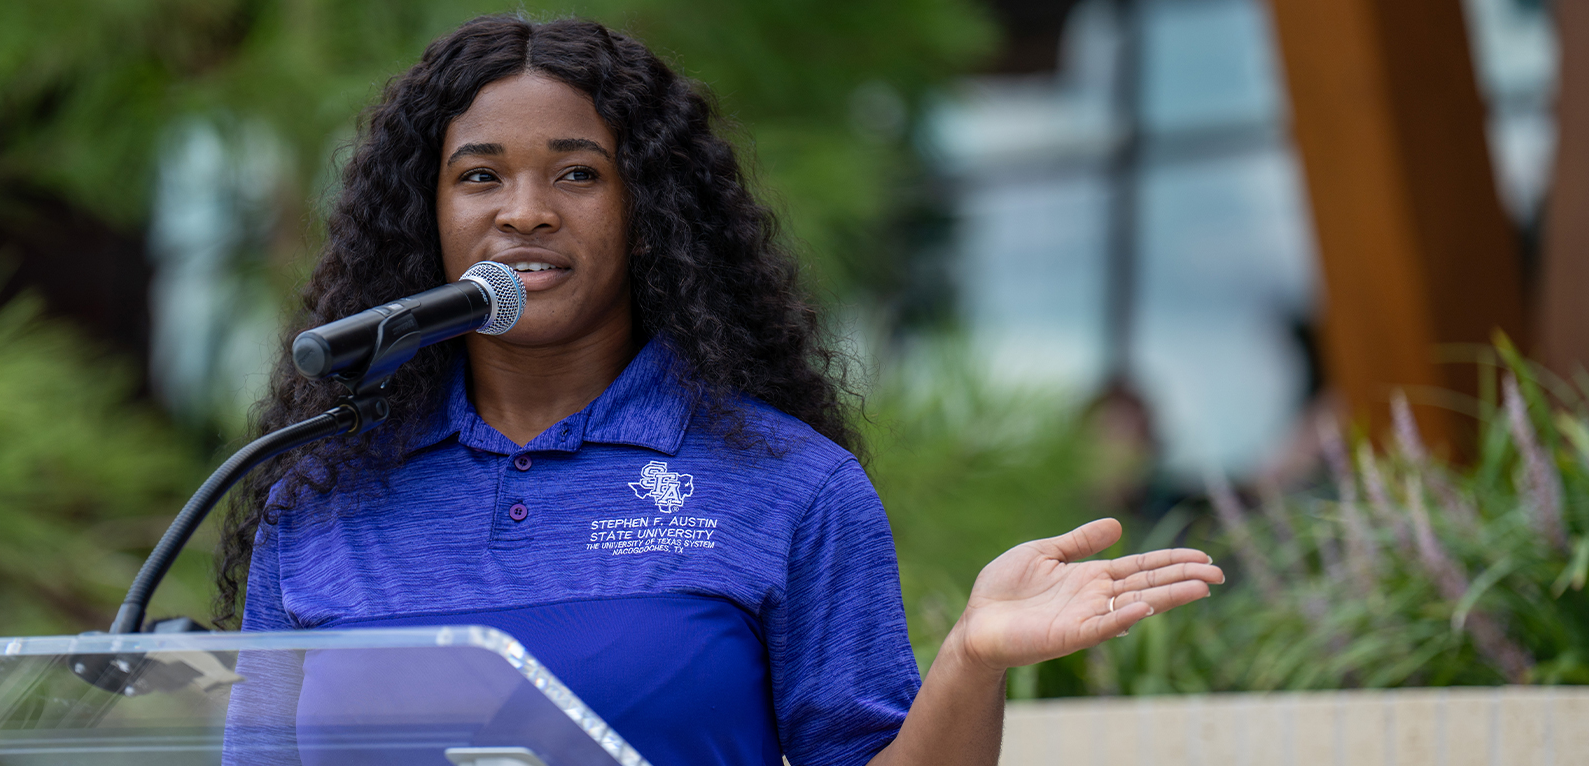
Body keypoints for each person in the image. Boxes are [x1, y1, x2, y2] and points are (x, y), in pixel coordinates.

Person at [217, 15, 1224, 766]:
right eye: (480, 177)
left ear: (647, 211)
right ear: (427, 217)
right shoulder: (319, 496)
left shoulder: (786, 485)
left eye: (576, 175)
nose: (523, 212)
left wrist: (971, 660)